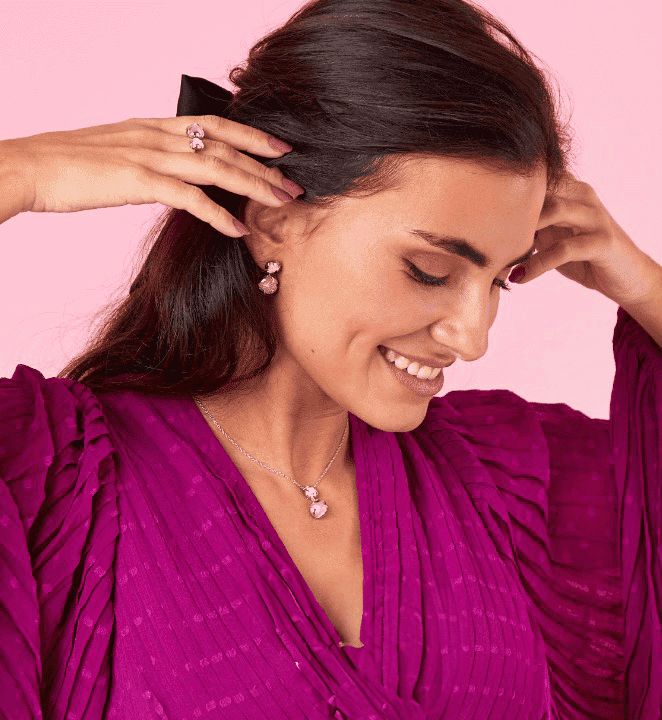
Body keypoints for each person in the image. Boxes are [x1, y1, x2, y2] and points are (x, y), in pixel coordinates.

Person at [0, 1, 660, 718]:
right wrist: (18, 172)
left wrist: (645, 286)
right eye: (431, 271)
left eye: (501, 279)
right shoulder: (57, 482)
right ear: (273, 219)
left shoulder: (508, 482)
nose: (472, 339)